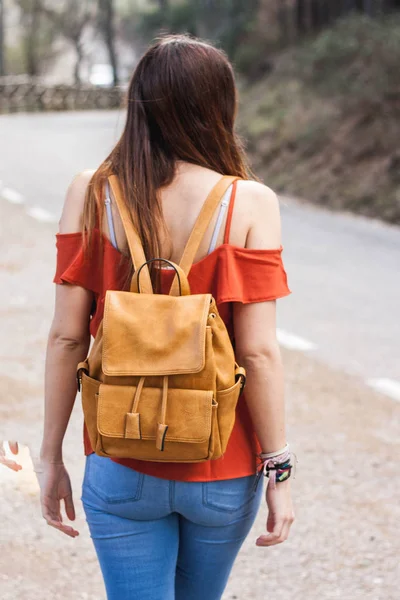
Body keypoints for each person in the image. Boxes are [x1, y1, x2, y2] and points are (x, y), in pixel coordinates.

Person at [38, 34, 295, 600]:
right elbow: (258, 351)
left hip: (120, 458)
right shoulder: (250, 202)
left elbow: (65, 338)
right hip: (222, 462)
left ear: (138, 103)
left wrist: (50, 455)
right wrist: (279, 472)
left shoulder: (91, 192)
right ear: (218, 108)